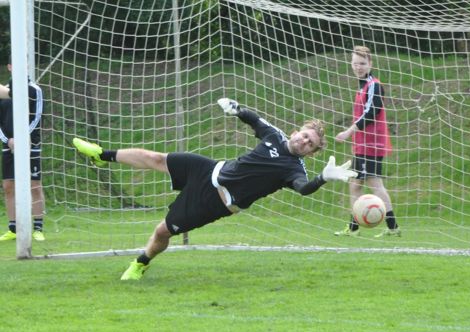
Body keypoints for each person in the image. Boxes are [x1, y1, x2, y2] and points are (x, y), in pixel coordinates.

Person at [73, 98, 358, 280]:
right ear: (297, 131)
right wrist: (237, 110)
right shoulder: (275, 135)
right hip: (209, 170)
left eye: (310, 145)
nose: (305, 142)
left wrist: (324, 177)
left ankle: (141, 263)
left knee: (163, 231)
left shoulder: (294, 169)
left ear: (310, 153)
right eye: (305, 136)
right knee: (156, 158)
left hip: (216, 202)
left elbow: (304, 188)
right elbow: (255, 120)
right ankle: (102, 155)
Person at [334, 46, 400, 238]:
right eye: (355, 63)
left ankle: (392, 226)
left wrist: (348, 132)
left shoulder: (374, 86)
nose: (358, 67)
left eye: (362, 63)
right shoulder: (362, 86)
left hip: (371, 144)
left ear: (370, 64)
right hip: (363, 144)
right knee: (355, 185)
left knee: (375, 184)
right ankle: (354, 228)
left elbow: (370, 113)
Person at [0, 60, 46, 242]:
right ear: (9, 67)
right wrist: (8, 140)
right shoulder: (3, 92)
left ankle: (38, 228)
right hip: (9, 144)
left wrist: (22, 136)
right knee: (8, 187)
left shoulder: (35, 90)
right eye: (15, 64)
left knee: (34, 185)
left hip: (30, 144)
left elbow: (37, 117)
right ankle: (13, 228)